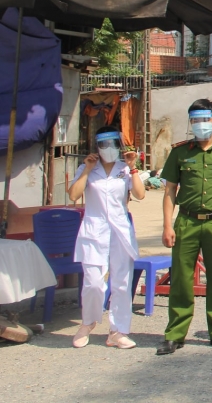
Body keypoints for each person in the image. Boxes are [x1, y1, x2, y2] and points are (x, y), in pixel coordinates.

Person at [156, 99, 212, 355]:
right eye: (195, 120)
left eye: (205, 119)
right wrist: (167, 225)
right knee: (181, 279)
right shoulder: (180, 152)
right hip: (186, 220)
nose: (200, 125)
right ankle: (175, 333)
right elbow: (170, 190)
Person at [68, 127, 145, 349]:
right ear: (97, 146)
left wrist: (133, 168)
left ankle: (117, 331)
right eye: (103, 145)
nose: (108, 149)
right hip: (94, 229)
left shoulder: (124, 169)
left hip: (120, 230)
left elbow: (140, 194)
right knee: (93, 282)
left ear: (119, 145)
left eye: (113, 144)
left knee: (122, 283)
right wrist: (86, 170)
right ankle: (87, 323)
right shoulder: (87, 168)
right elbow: (74, 195)